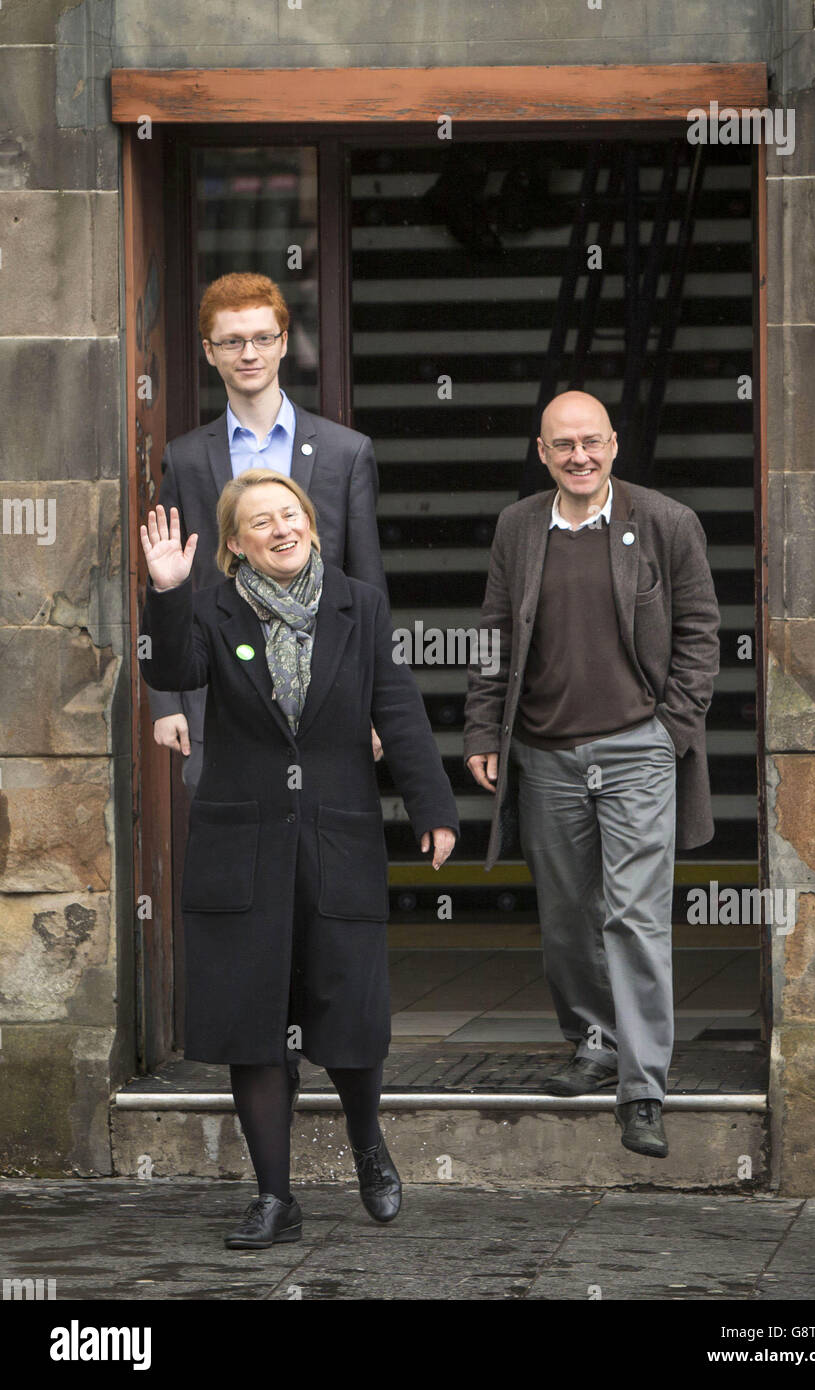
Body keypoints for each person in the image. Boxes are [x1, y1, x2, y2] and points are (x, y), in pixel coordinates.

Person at [139, 471, 459, 1247]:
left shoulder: (359, 602)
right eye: (260, 522)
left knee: (347, 1014)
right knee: (252, 1025)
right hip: (241, 848)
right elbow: (172, 671)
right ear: (235, 545)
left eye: (290, 515)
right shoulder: (213, 607)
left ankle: (368, 1146)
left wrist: (434, 806)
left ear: (311, 524)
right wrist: (168, 592)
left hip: (335, 839)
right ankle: (275, 1197)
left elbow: (396, 703)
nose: (280, 529)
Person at [463, 391, 721, 1159]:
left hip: (638, 747)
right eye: (563, 444)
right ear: (541, 453)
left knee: (634, 915)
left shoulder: (667, 523)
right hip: (543, 753)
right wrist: (483, 725)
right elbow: (493, 634)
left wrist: (669, 729)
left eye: (592, 442)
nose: (580, 456)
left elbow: (703, 631)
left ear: (614, 444)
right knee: (569, 914)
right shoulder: (519, 527)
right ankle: (595, 1041)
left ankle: (643, 1088)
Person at [146, 271, 388, 795]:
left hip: (327, 691)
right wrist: (167, 700)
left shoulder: (346, 453)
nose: (248, 353)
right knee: (231, 863)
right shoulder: (185, 458)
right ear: (209, 352)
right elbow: (165, 573)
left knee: (322, 860)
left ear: (283, 341)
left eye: (261, 338)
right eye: (232, 341)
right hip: (218, 698)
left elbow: (367, 584)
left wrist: (375, 706)